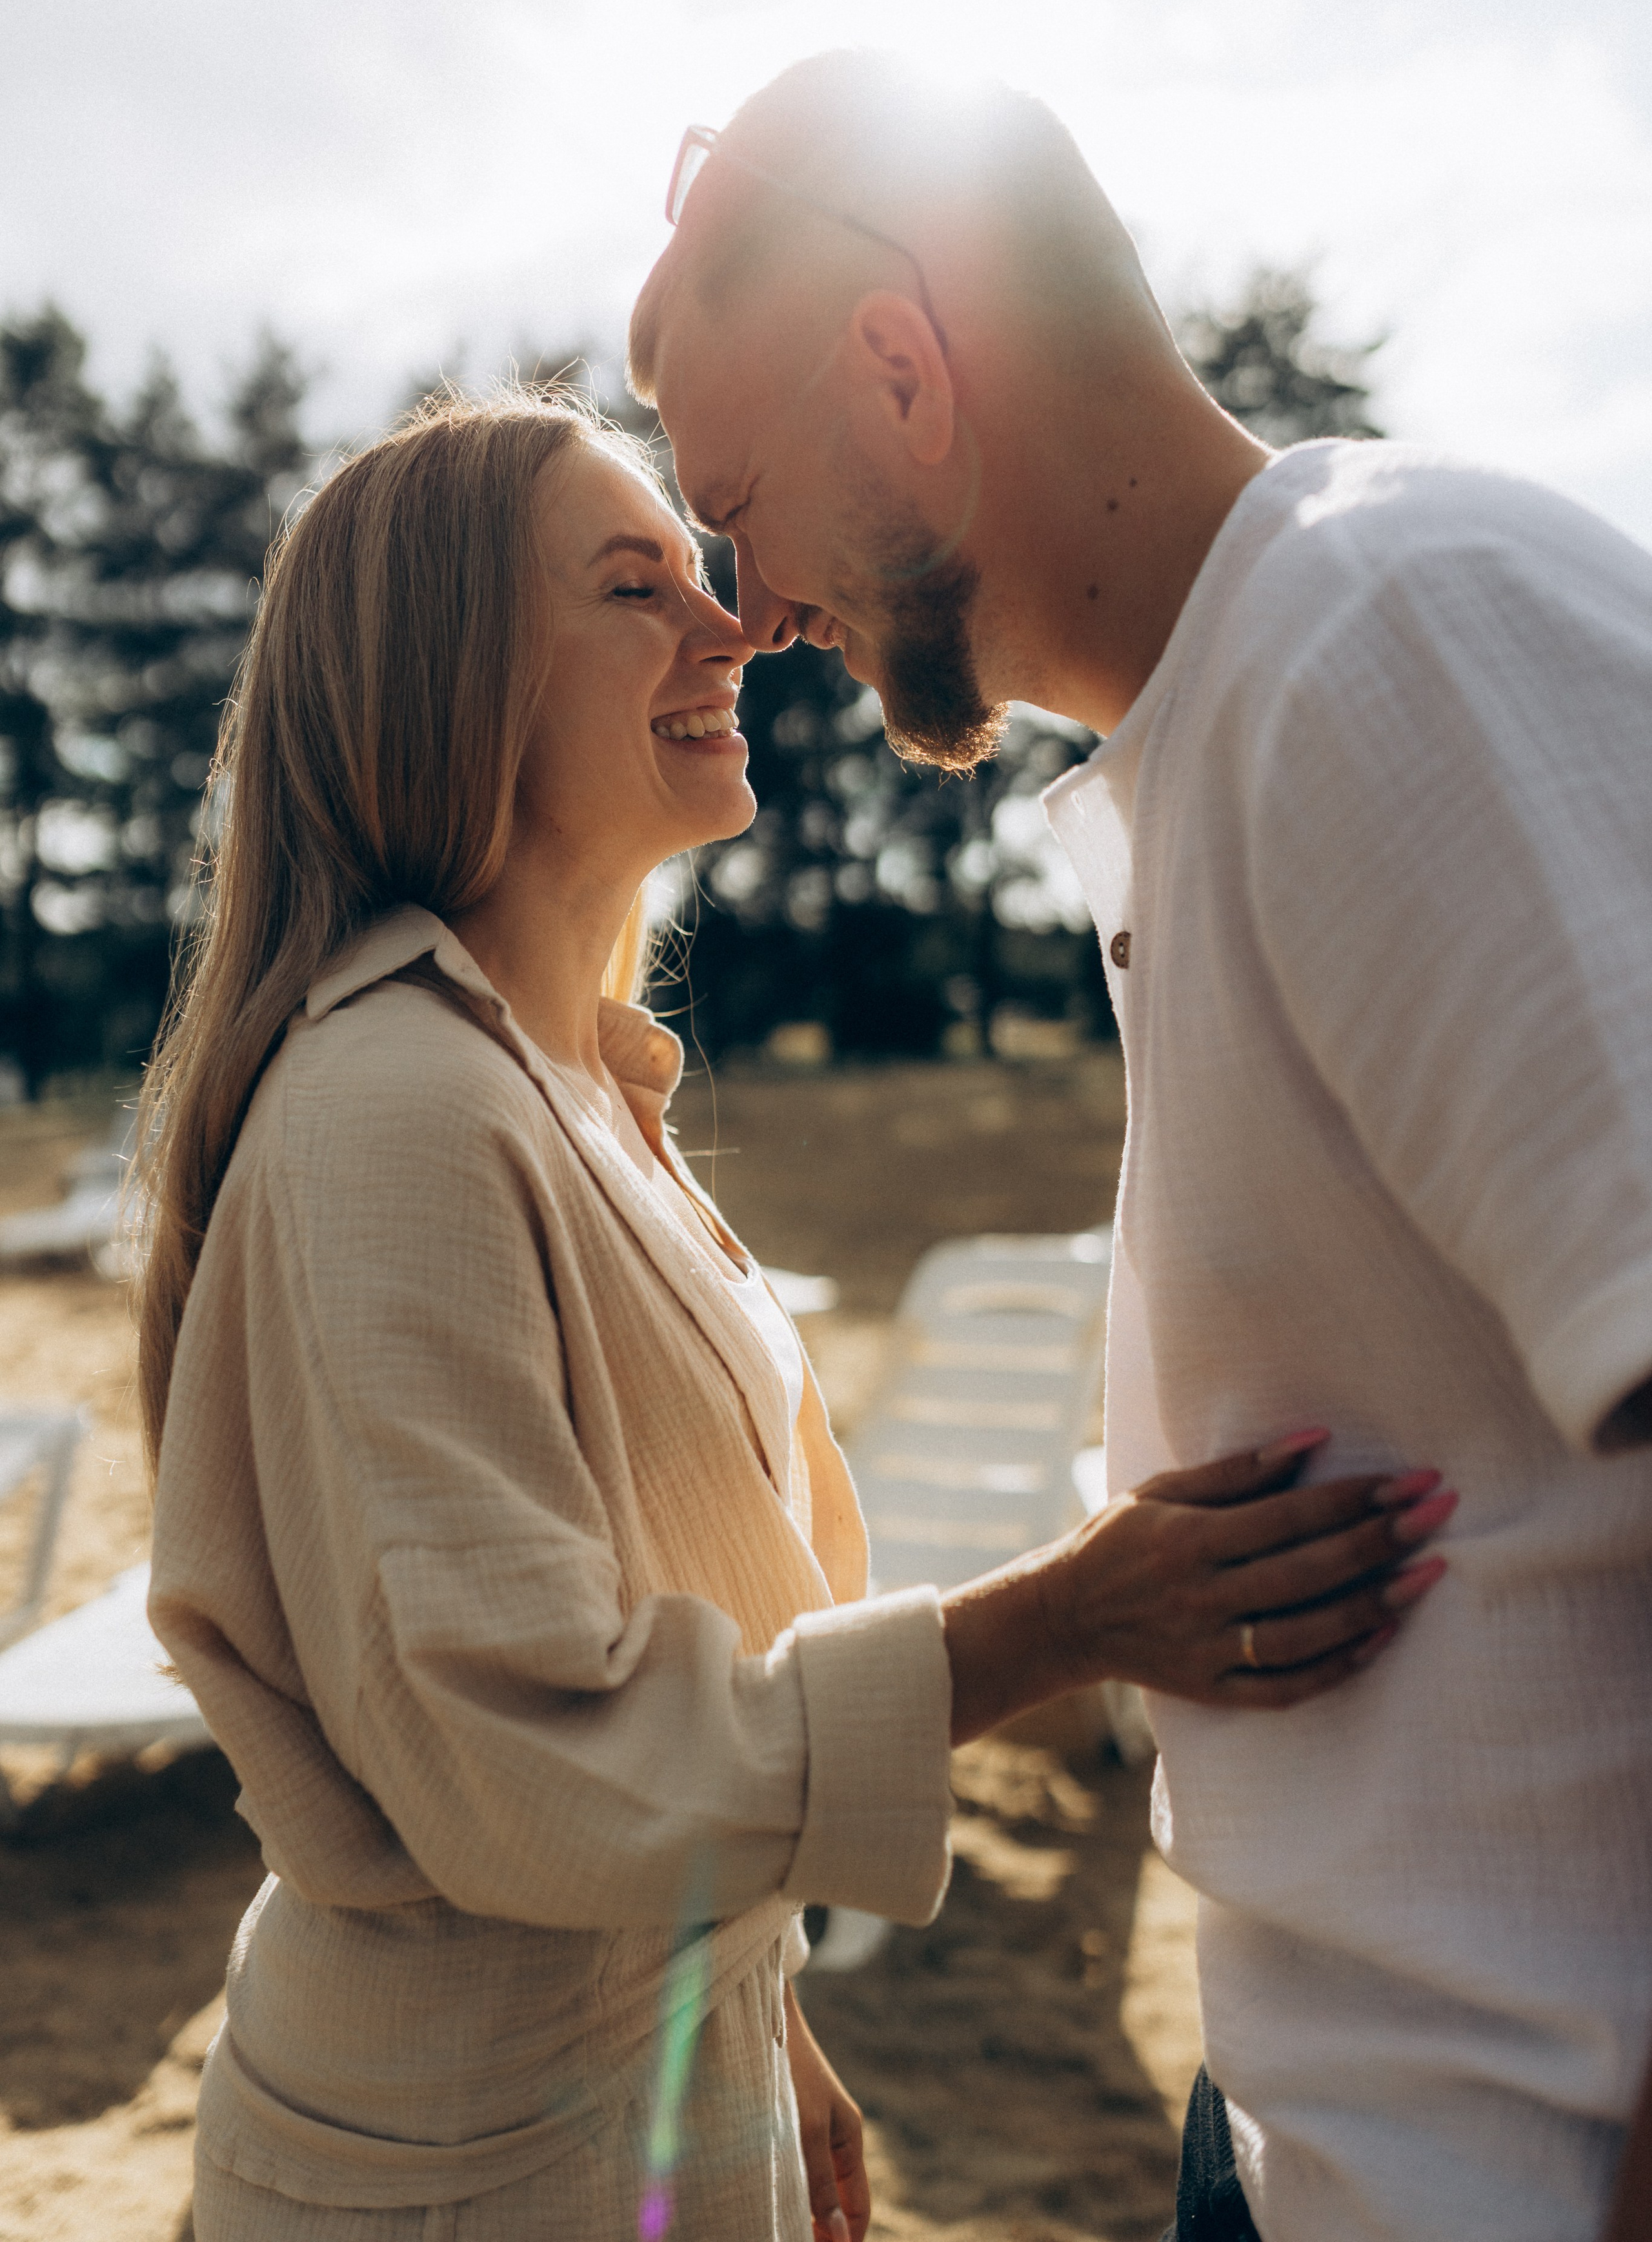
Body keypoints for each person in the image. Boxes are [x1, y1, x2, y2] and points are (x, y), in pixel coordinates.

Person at [141, 389, 1447, 2242]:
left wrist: (759, 2020)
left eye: (703, 571)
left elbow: (663, 1634)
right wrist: (1068, 1620)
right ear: (454, 677)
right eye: (632, 585)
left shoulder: (558, 1083)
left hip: (632, 2088)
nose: (733, 623)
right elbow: (521, 1757)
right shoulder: (393, 1117)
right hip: (470, 2168)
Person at [628, 52, 1652, 2242]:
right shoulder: (1226, 724)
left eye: (736, 503)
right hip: (1319, 2124)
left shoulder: (1390, 638)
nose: (752, 604)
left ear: (904, 369)